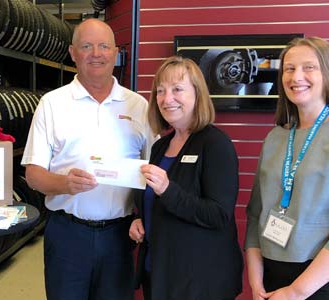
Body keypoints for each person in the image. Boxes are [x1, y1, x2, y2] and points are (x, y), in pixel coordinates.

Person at [21, 18, 154, 300]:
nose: (96, 53)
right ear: (72, 53)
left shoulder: (138, 106)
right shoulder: (52, 104)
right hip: (67, 234)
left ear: (116, 53)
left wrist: (145, 219)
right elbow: (33, 174)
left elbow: (154, 173)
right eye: (87, 46)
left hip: (120, 236)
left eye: (104, 46)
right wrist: (63, 183)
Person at [128, 56, 243, 300]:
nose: (166, 98)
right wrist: (141, 221)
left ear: (198, 94)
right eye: (160, 91)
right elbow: (154, 203)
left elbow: (218, 215)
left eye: (177, 89)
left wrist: (168, 189)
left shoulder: (215, 144)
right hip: (160, 275)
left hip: (198, 282)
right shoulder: (161, 146)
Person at [245, 36, 329, 300]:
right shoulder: (275, 137)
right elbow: (255, 213)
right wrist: (255, 280)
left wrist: (296, 292)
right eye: (289, 69)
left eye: (308, 67)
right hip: (270, 276)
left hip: (317, 282)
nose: (296, 77)